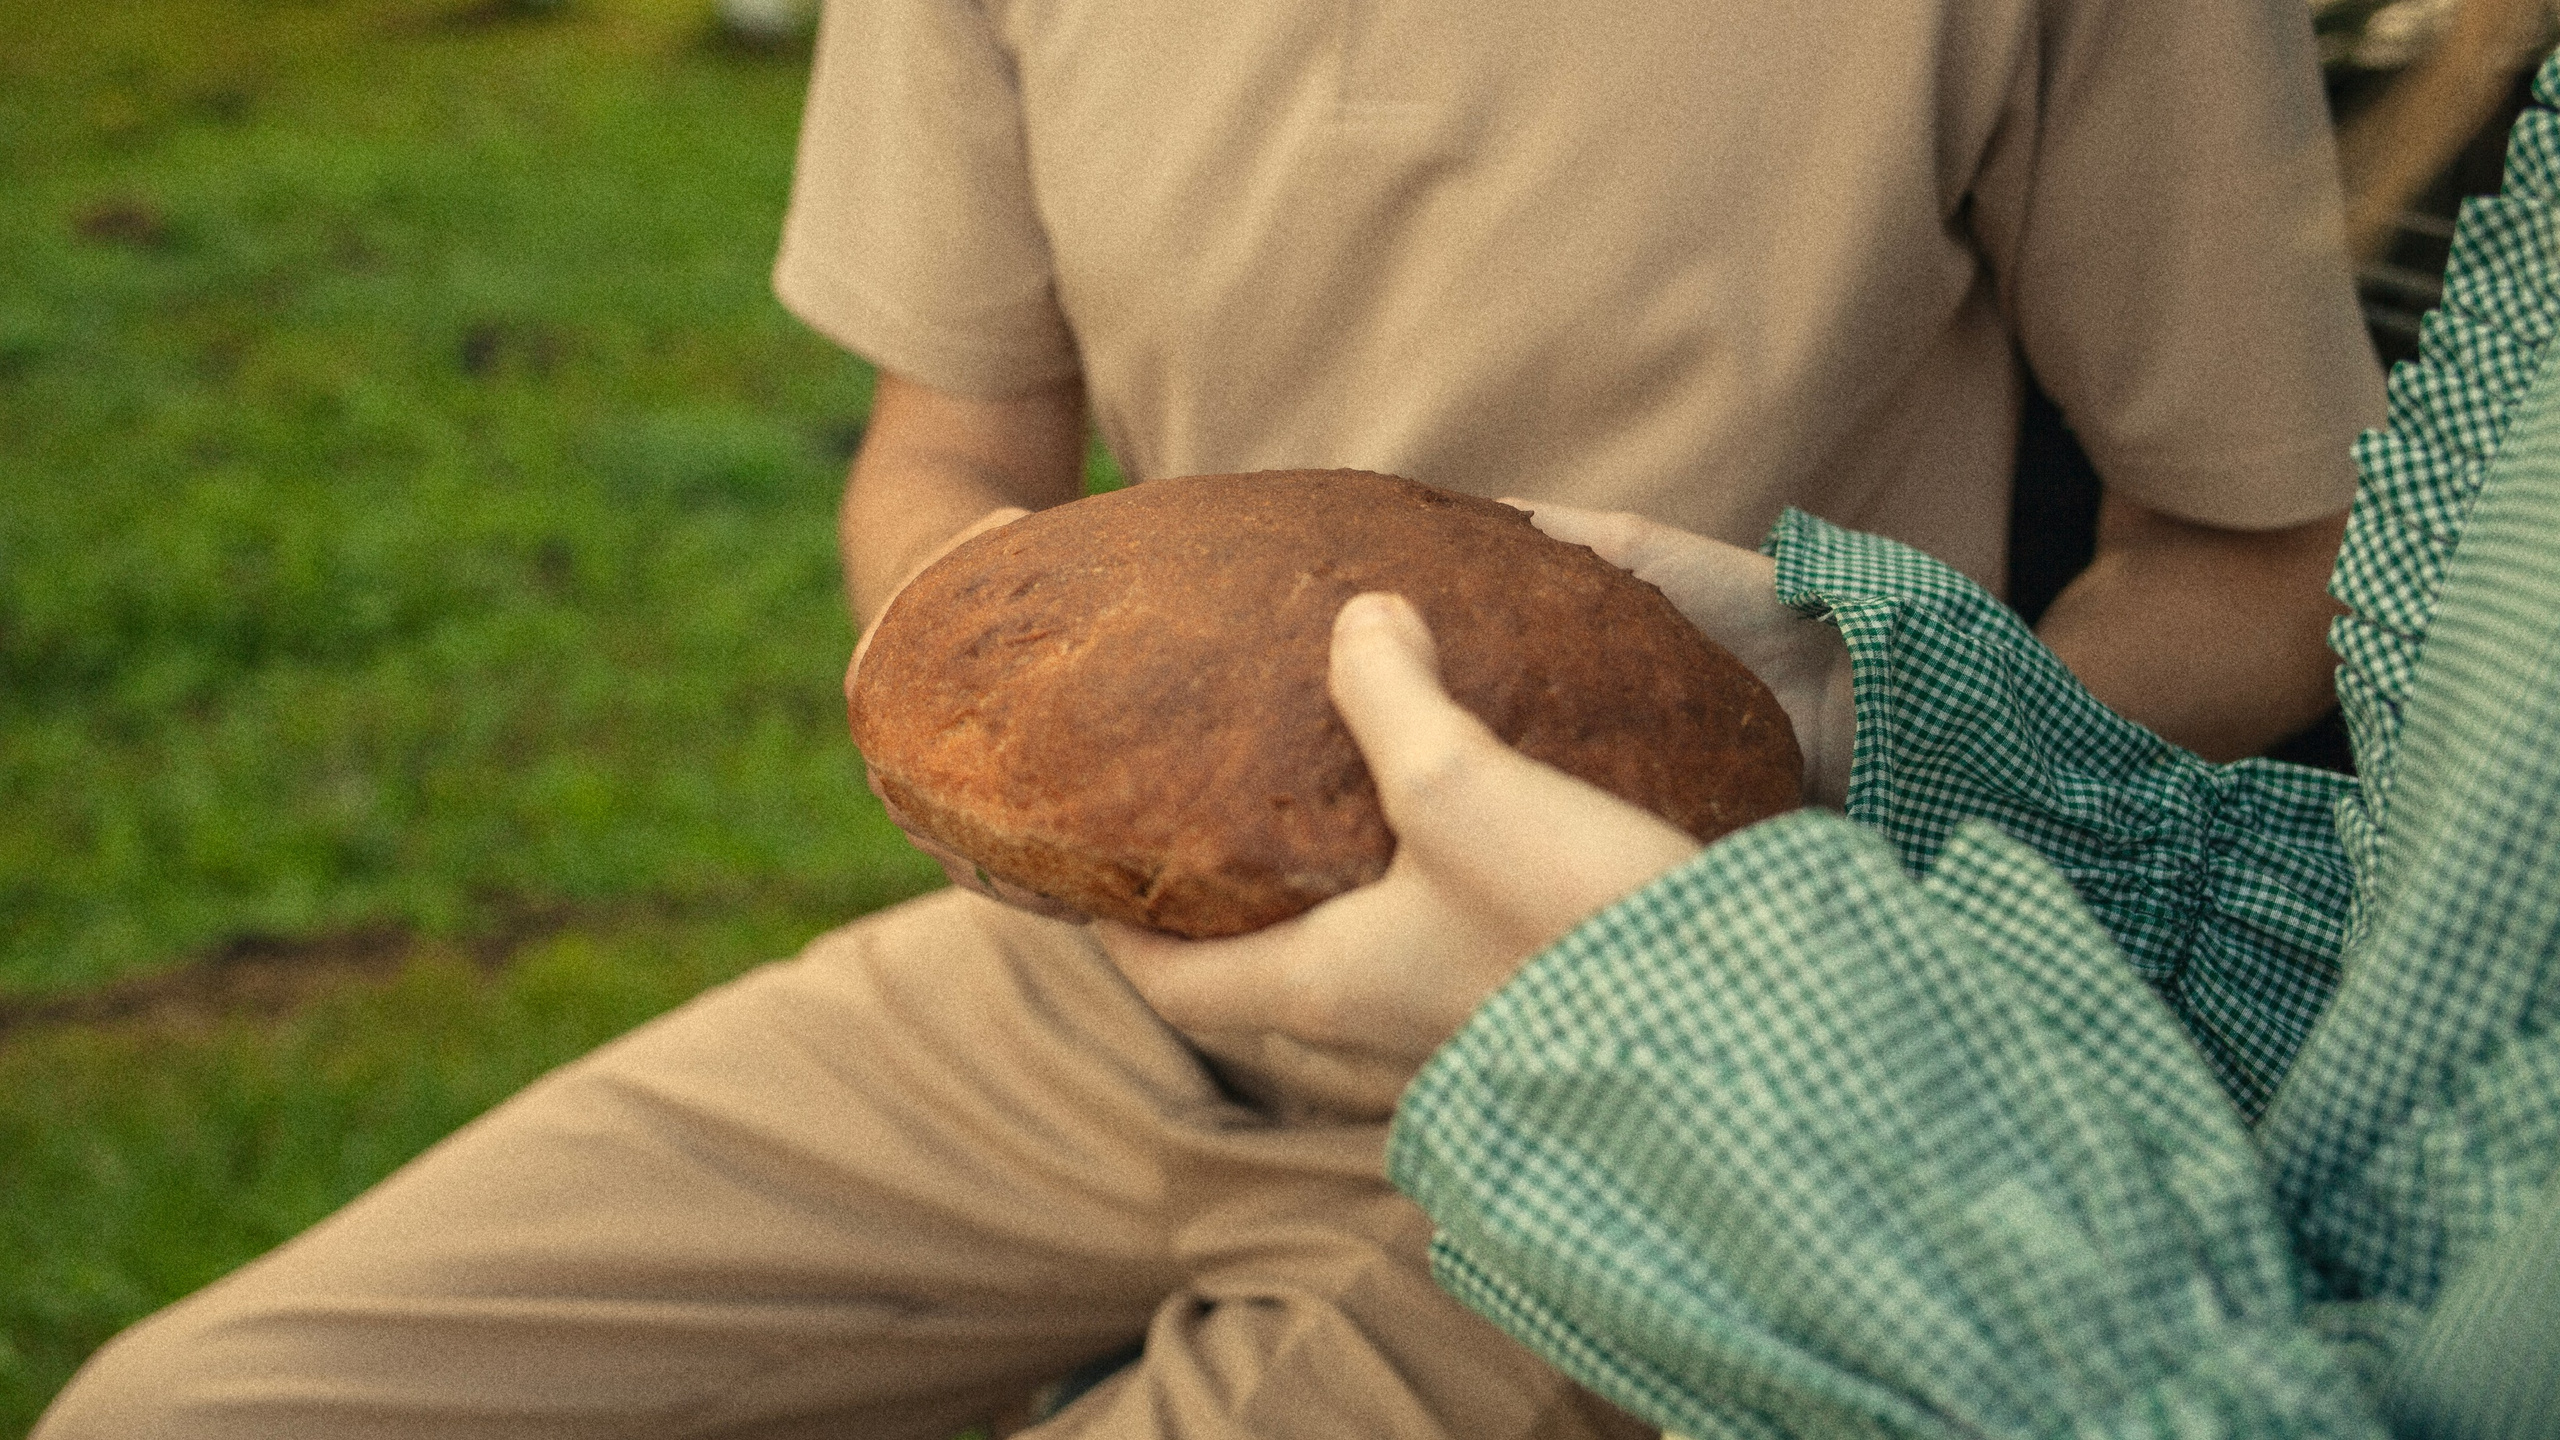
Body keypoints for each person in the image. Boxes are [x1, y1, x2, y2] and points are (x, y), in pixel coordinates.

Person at [36, 3, 2384, 1439]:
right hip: (1083, 995)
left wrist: (1835, 733)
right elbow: (947, 456)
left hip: (1671, 1059)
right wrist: (996, 728)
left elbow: (2270, 564)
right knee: (184, 1410)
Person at [1105, 57, 2560, 1438]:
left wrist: (1704, 1046)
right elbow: (2463, 996)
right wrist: (1887, 735)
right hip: (1176, 988)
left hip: (1725, 1137)